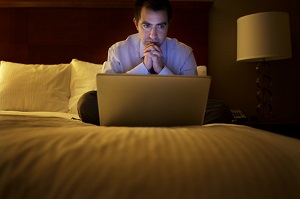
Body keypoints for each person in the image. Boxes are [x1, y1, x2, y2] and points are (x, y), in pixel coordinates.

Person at [77, 0, 198, 125]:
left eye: (161, 26)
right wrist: (144, 67)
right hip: (129, 109)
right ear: (136, 24)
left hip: (169, 109)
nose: (153, 35)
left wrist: (161, 69)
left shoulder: (184, 53)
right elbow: (105, 97)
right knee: (87, 102)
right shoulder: (118, 51)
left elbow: (191, 101)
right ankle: (153, 119)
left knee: (217, 108)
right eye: (146, 26)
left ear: (168, 24)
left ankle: (138, 119)